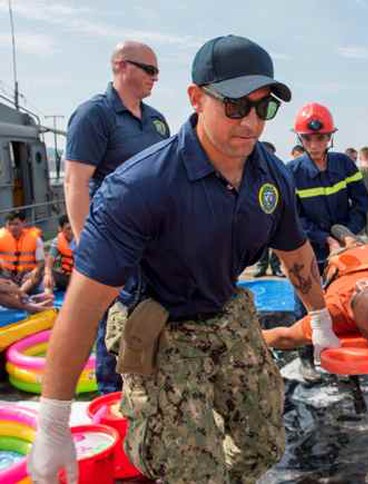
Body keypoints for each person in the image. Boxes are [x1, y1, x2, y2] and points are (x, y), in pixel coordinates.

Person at [28, 34, 335, 483]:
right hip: (160, 324)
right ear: (196, 98)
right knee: (188, 468)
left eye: (263, 107)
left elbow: (296, 254)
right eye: (235, 105)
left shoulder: (270, 176)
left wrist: (321, 321)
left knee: (264, 441)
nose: (251, 121)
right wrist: (52, 424)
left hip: (225, 308)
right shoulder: (140, 187)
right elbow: (82, 305)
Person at [63, 40, 170, 395]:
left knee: (150, 314)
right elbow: (75, 181)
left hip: (152, 243)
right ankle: (111, 395)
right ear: (122, 66)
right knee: (110, 318)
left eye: (157, 71)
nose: (156, 78)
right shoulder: (94, 115)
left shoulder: (156, 121)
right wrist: (85, 245)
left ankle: (148, 389)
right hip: (111, 240)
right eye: (149, 70)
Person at [263, 219, 368, 351]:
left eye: (356, 295)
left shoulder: (334, 313)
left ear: (353, 319)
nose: (361, 284)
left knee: (340, 246)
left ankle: (347, 240)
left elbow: (286, 337)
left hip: (346, 261)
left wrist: (247, 338)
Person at [287, 102, 368, 380]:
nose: (315, 143)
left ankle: (344, 349)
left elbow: (361, 201)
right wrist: (324, 239)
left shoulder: (344, 164)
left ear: (330, 137)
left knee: (346, 295)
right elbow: (293, 216)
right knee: (306, 298)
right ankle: (306, 356)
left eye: (320, 137)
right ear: (300, 138)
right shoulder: (292, 172)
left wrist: (347, 234)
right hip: (308, 245)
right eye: (308, 138)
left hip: (344, 242)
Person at [254, 141, 284, 277]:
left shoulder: (279, 171)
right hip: (258, 214)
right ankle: (261, 267)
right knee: (261, 242)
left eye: (271, 153)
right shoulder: (251, 171)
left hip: (276, 213)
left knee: (277, 241)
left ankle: (276, 267)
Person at [0, 211, 45, 295]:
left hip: (26, 275)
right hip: (6, 275)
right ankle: (15, 293)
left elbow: (41, 262)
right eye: (10, 224)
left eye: (16, 224)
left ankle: (19, 293)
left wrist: (35, 271)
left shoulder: (35, 238)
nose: (13, 227)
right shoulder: (1, 236)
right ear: (6, 225)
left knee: (37, 274)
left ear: (23, 223)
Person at [43, 215, 74, 293]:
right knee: (47, 274)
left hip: (81, 279)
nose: (72, 231)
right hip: (66, 277)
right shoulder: (57, 241)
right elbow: (50, 259)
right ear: (60, 229)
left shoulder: (83, 239)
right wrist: (48, 274)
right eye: (68, 228)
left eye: (73, 227)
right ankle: (48, 298)